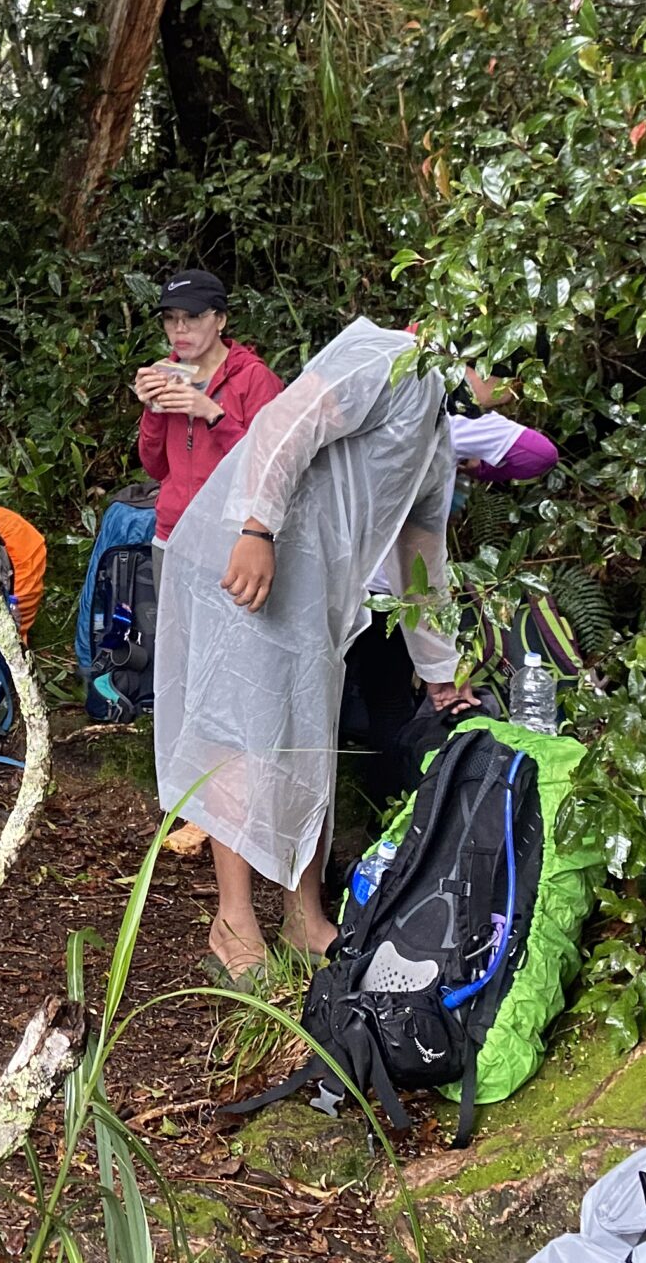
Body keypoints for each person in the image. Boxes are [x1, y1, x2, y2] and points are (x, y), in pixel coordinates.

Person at [153, 318, 456, 974]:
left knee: (304, 743)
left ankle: (303, 917)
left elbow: (421, 548)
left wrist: (441, 673)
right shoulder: (393, 357)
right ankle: (232, 924)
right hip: (249, 555)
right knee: (243, 731)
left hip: (312, 592)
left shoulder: (438, 426)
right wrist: (257, 528)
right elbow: (286, 422)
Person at [343, 389, 558, 797]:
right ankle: (392, 815)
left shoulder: (361, 401)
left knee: (328, 705)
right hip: (394, 590)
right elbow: (538, 454)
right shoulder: (452, 416)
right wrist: (476, 465)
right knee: (387, 703)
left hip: (335, 578)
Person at [132, 269, 282, 551]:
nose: (179, 328)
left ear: (220, 319)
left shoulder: (254, 378)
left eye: (192, 316)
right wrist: (152, 407)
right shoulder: (167, 374)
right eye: (170, 318)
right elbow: (155, 468)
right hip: (171, 534)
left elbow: (269, 470)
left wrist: (214, 415)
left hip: (233, 538)